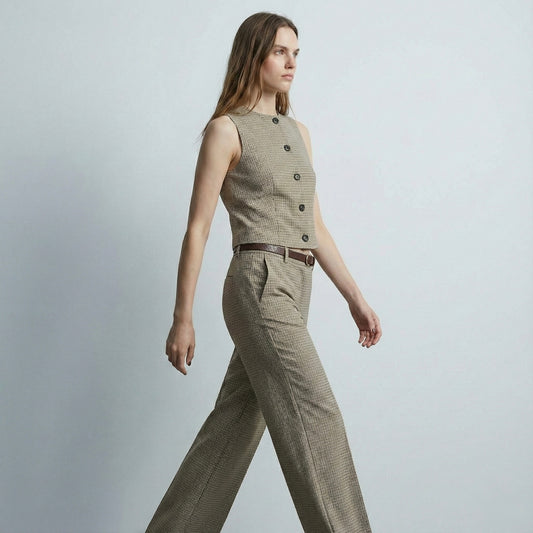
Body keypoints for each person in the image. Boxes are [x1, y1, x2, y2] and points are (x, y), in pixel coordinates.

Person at [145, 11, 381, 533]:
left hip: (298, 285)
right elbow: (198, 229)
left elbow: (314, 226)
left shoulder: (299, 133)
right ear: (253, 55)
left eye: (296, 53)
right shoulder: (226, 130)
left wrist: (355, 298)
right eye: (279, 52)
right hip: (258, 283)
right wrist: (183, 317)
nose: (291, 63)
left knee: (236, 423)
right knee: (316, 413)